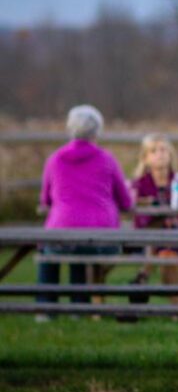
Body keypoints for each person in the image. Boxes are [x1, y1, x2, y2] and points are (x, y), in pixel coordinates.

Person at [36, 105, 133, 320]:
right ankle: (78, 308)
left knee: (50, 250)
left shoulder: (55, 159)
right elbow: (126, 202)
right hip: (102, 237)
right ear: (97, 131)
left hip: (61, 234)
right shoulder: (107, 159)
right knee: (80, 248)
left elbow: (45, 201)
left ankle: (45, 309)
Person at [131, 134, 178, 307]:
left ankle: (144, 274)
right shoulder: (140, 184)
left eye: (163, 150)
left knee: (167, 251)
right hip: (148, 238)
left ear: (171, 154)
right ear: (145, 158)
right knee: (164, 251)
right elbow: (138, 220)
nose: (160, 154)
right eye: (154, 151)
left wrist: (173, 220)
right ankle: (176, 308)